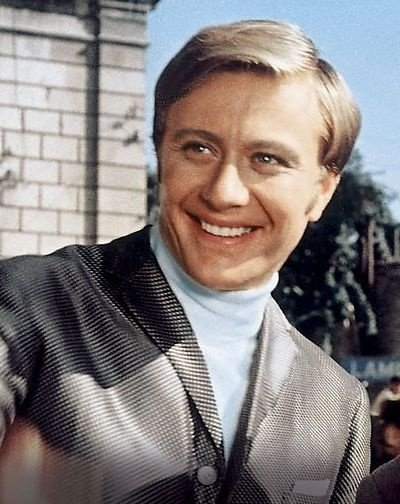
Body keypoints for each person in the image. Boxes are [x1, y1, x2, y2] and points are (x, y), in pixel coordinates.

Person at [0, 19, 370, 503]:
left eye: (266, 159)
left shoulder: (338, 405)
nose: (223, 192)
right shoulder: (27, 306)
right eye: (199, 148)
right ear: (160, 153)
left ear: (322, 190)